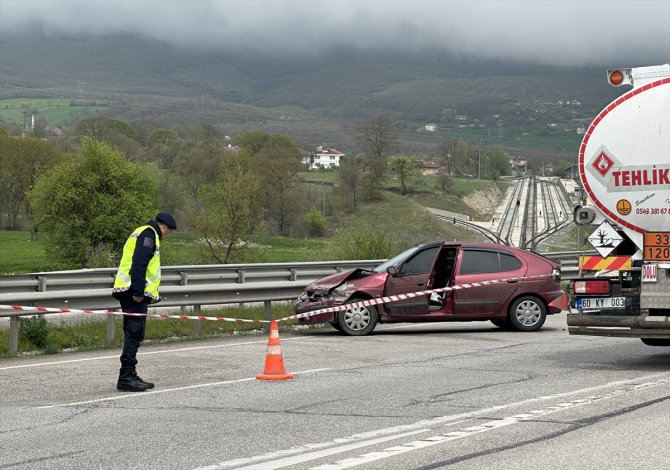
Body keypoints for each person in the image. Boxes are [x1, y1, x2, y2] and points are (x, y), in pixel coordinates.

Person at [112, 212, 177, 392]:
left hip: (129, 290)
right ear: (164, 227)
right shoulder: (149, 235)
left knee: (134, 332)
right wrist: (139, 291)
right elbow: (139, 263)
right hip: (133, 292)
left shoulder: (142, 232)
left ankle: (130, 373)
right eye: (168, 232)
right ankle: (126, 377)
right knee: (134, 332)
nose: (166, 236)